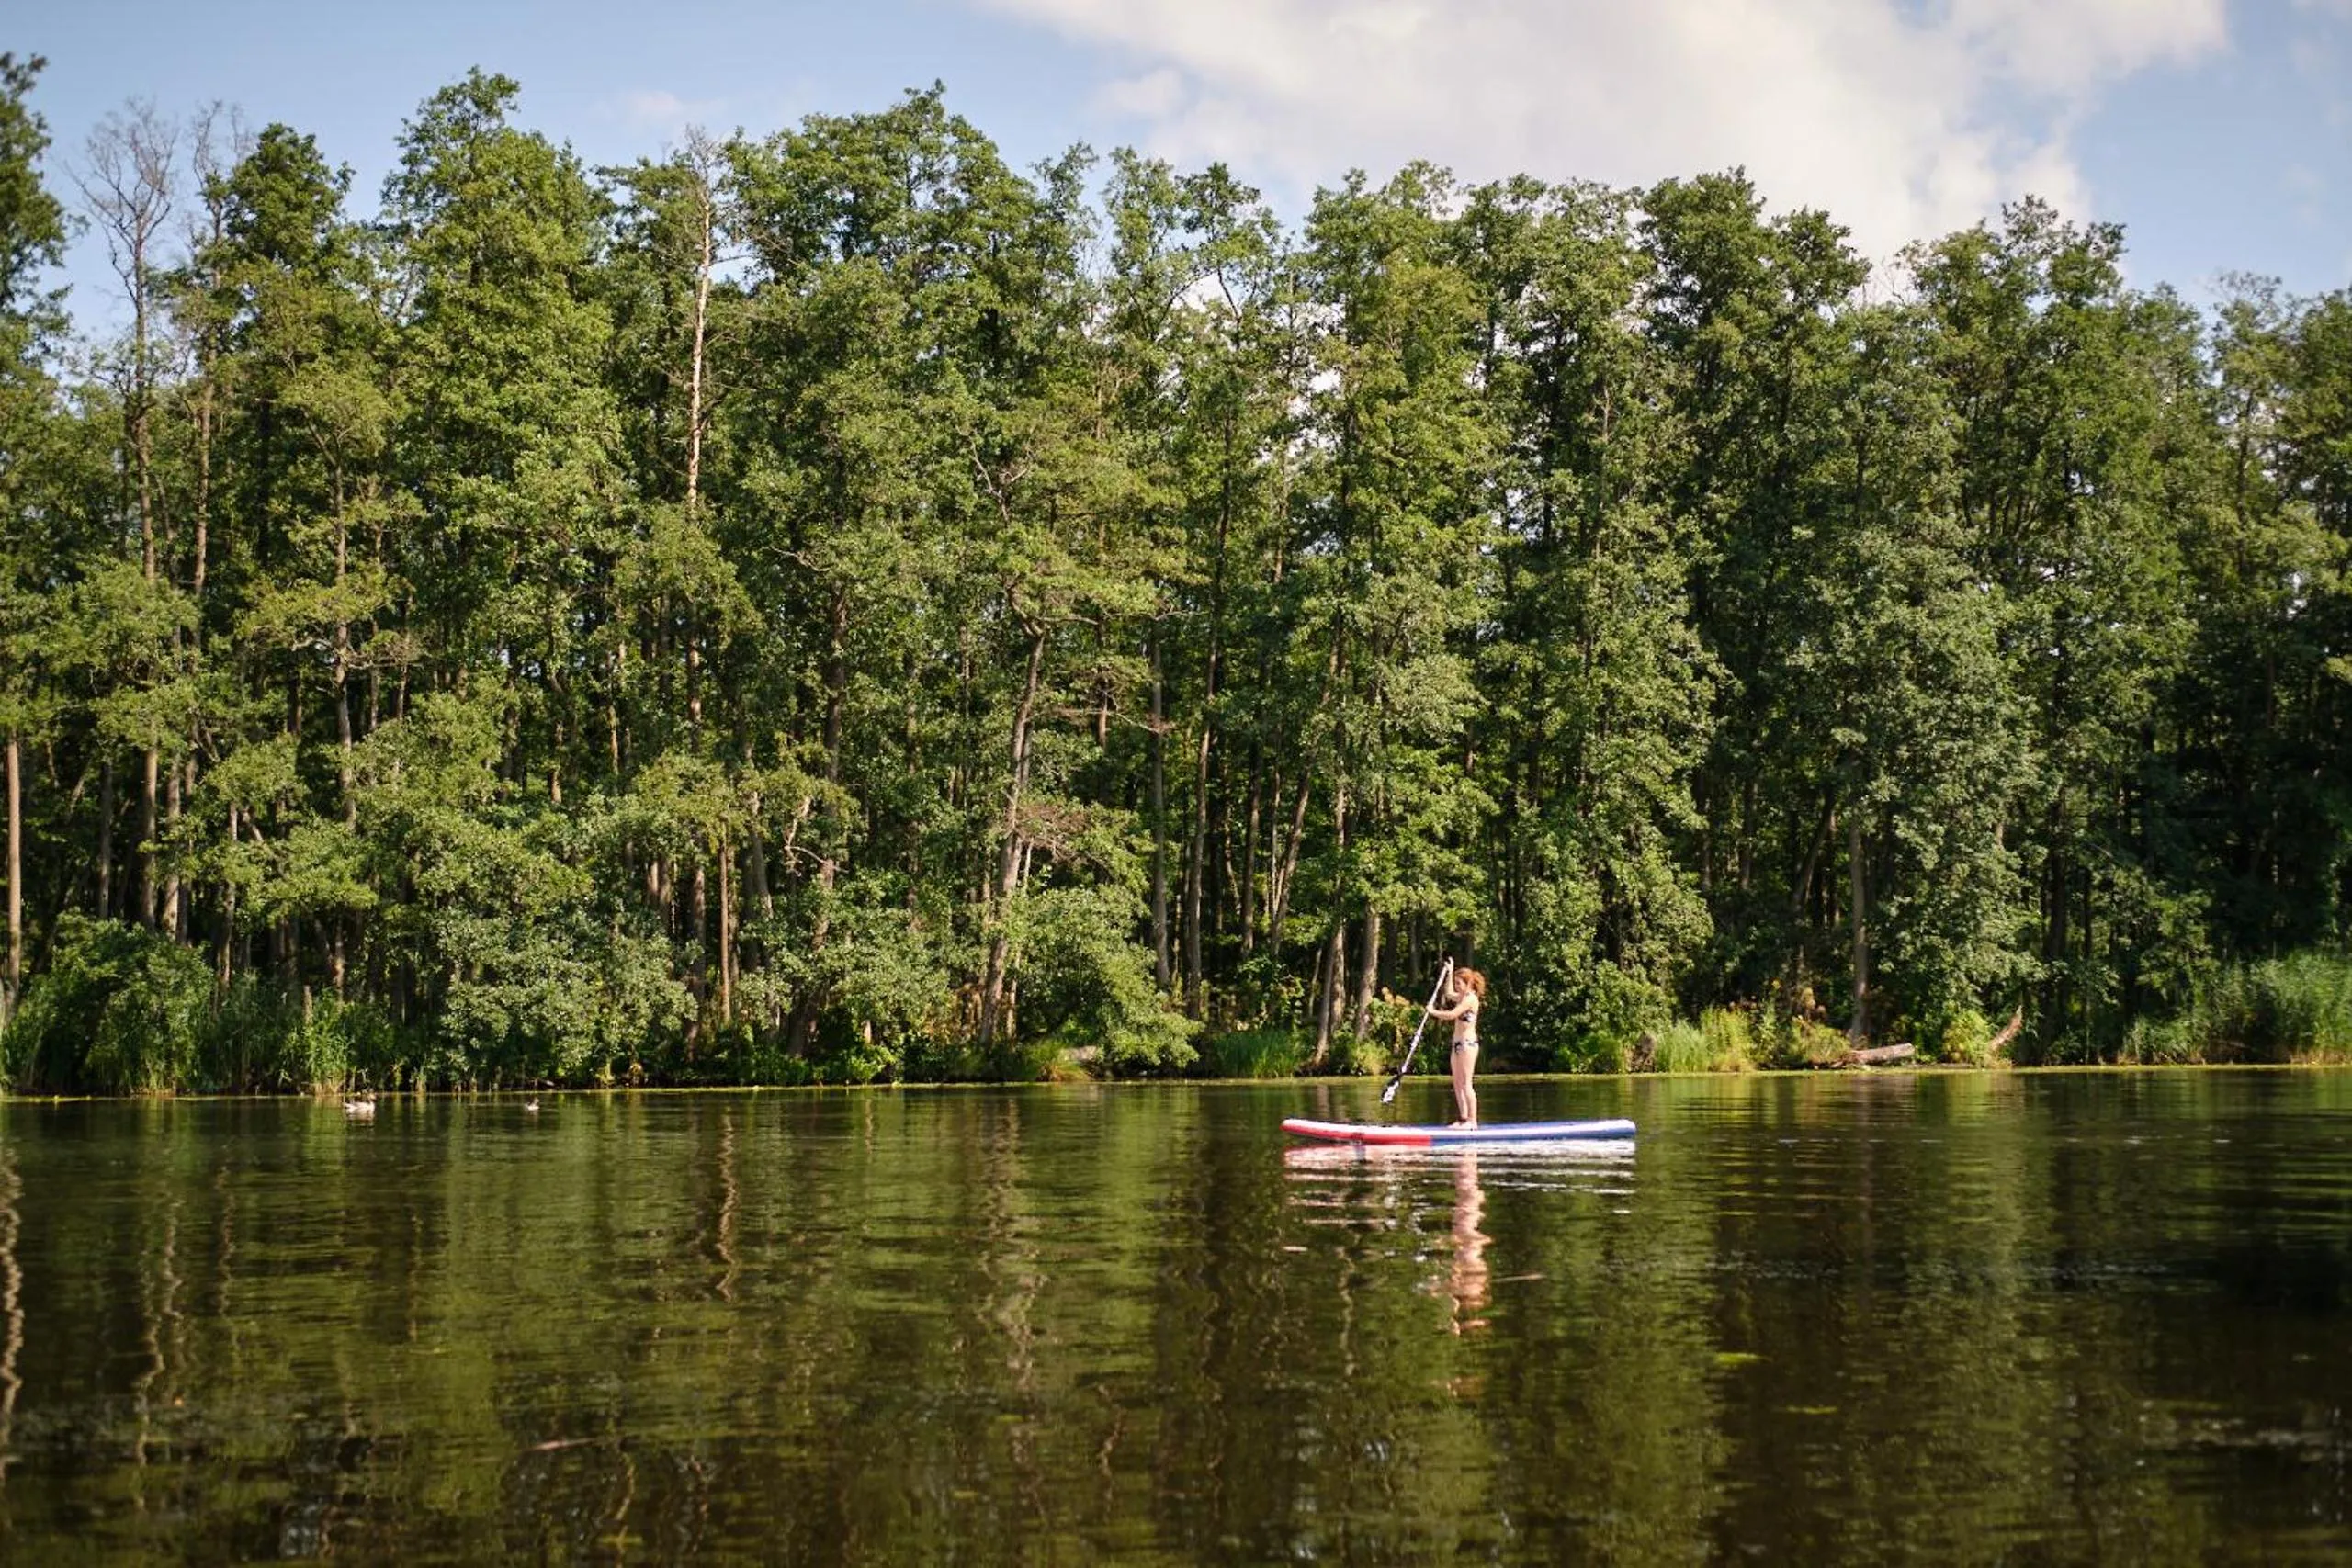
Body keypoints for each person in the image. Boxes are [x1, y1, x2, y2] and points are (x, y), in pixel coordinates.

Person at [1430, 966, 1486, 1127]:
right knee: (1457, 1082)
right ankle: (1463, 1118)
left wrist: (1433, 1012)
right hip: (1457, 1044)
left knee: (1467, 1083)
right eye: (1455, 983)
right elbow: (1448, 993)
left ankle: (1472, 1121)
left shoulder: (1470, 999)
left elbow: (1452, 1015)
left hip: (1468, 1045)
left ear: (1468, 984)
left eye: (1459, 983)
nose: (1456, 986)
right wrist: (1449, 971)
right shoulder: (1461, 997)